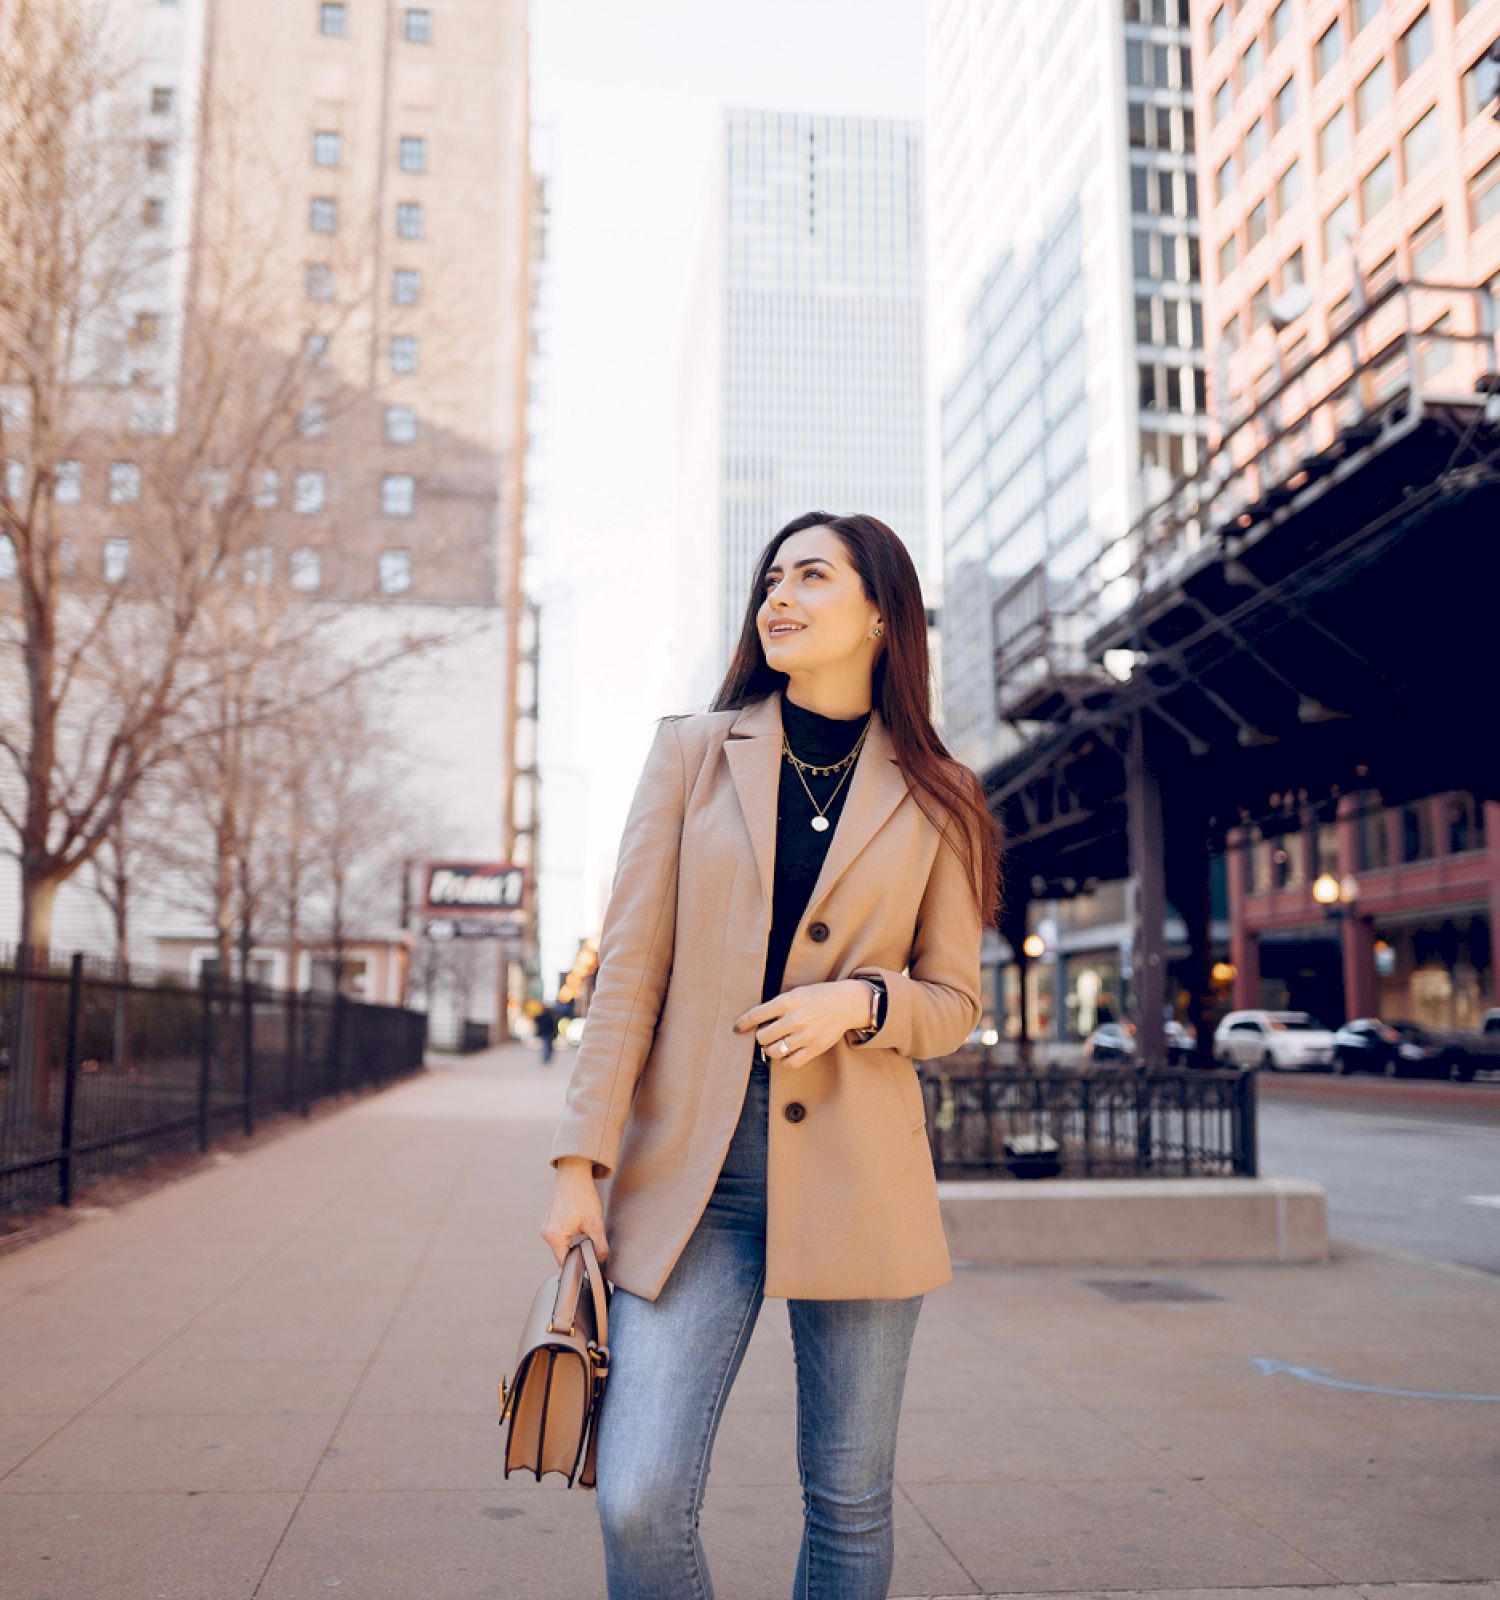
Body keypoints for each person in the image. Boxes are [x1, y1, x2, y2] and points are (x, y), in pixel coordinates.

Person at [540, 511, 1003, 1599]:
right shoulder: (694, 754)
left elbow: (953, 1004)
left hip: (860, 1171)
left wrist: (860, 1000)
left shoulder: (943, 793)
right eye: (770, 579)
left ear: (880, 613)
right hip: (691, 1173)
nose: (778, 598)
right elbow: (628, 978)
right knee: (640, 1496)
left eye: (811, 575)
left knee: (849, 1502)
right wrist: (579, 1166)